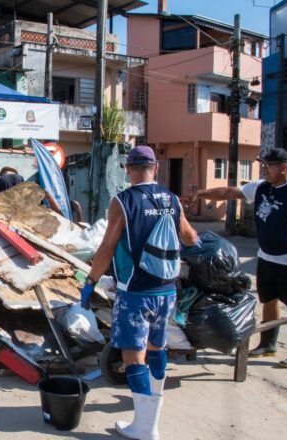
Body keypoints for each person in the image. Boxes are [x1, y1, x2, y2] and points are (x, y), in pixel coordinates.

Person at [81, 146, 198, 439]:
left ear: (128, 169)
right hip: (167, 291)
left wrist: (90, 281)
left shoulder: (123, 201)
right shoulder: (172, 199)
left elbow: (107, 247)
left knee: (134, 357)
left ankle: (144, 428)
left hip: (135, 292)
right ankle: (152, 417)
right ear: (155, 168)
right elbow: (190, 236)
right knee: (158, 348)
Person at [184, 147, 287, 368]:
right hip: (267, 258)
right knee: (268, 301)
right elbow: (229, 193)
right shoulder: (261, 187)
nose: (264, 169)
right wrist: (200, 194)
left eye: (268, 165)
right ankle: (268, 344)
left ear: (284, 167)